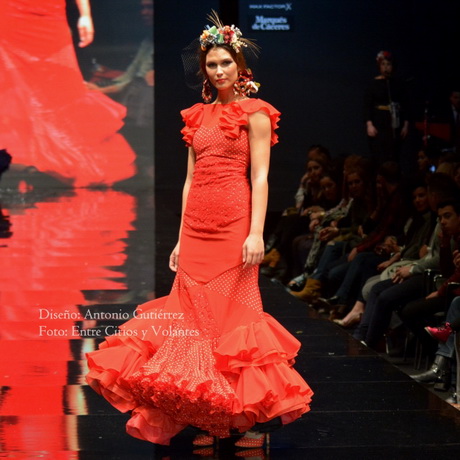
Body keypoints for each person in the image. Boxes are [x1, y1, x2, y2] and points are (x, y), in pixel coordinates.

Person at [86, 11, 313, 449]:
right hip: (196, 231)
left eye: (226, 62)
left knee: (232, 328)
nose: (219, 70)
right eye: (212, 64)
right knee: (191, 329)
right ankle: (206, 419)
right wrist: (178, 238)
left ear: (241, 67)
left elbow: (260, 178)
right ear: (205, 70)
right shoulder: (197, 116)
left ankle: (241, 423)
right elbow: (191, 179)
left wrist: (255, 233)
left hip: (234, 230)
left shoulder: (257, 114)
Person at [0, 0, 136, 187]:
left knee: (62, 84)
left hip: (50, 13)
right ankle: (22, 160)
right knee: (14, 79)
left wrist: (85, 14)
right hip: (10, 12)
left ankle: (60, 161)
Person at [364, 51, 409, 165]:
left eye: (388, 64)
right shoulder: (373, 84)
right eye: (383, 64)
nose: (386, 67)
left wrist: (406, 125)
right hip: (379, 122)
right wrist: (369, 124)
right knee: (380, 154)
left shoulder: (398, 84)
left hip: (395, 122)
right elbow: (367, 105)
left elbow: (406, 104)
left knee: (395, 153)